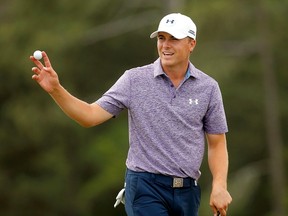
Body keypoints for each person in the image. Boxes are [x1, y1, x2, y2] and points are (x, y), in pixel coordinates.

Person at [30, 13, 232, 216]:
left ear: (191, 44)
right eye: (161, 38)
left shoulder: (208, 88)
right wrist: (56, 89)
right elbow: (89, 116)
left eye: (174, 39)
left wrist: (219, 186)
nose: (165, 45)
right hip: (145, 187)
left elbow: (217, 143)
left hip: (188, 191)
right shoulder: (134, 80)